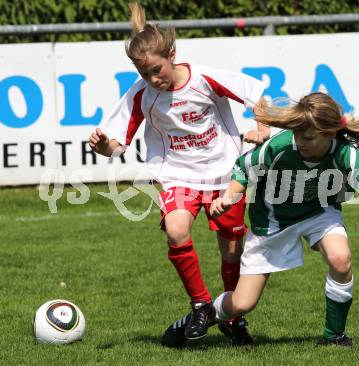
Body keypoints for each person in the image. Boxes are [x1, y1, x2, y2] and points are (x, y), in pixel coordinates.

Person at [88, 3, 268, 346]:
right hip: (178, 176)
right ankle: (201, 304)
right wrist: (102, 146)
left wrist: (260, 129)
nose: (153, 79)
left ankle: (233, 318)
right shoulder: (142, 94)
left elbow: (257, 95)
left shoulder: (204, 79)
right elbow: (117, 145)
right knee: (176, 229)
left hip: (225, 174)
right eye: (145, 74)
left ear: (172, 54)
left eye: (157, 69)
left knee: (231, 250)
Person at [209, 92, 359, 346]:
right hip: (272, 220)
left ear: (329, 133)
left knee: (341, 259)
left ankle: (334, 337)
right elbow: (243, 168)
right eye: (297, 134)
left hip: (320, 212)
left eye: (308, 137)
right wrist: (228, 197)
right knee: (242, 303)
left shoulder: (346, 155)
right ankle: (204, 314)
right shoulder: (280, 146)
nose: (300, 142)